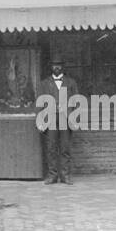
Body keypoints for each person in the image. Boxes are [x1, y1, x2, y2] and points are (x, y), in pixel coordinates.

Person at [38, 56, 80, 184]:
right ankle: (52, 176)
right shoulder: (44, 83)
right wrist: (40, 120)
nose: (56, 67)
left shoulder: (71, 82)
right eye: (54, 65)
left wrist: (75, 119)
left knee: (65, 148)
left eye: (59, 65)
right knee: (51, 148)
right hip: (50, 119)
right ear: (51, 67)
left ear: (63, 67)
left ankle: (65, 175)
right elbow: (39, 103)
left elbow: (77, 102)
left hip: (66, 119)